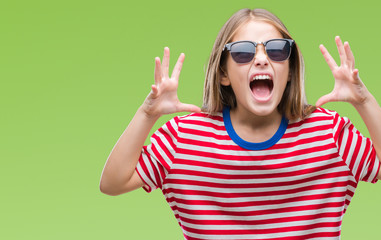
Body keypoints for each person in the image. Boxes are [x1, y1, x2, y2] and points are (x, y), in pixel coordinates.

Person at [100, 8, 381, 240]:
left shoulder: (329, 134)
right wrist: (147, 113)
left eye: (277, 50)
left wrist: (364, 101)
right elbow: (113, 182)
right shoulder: (183, 138)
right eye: (244, 52)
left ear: (290, 70)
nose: (261, 59)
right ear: (223, 73)